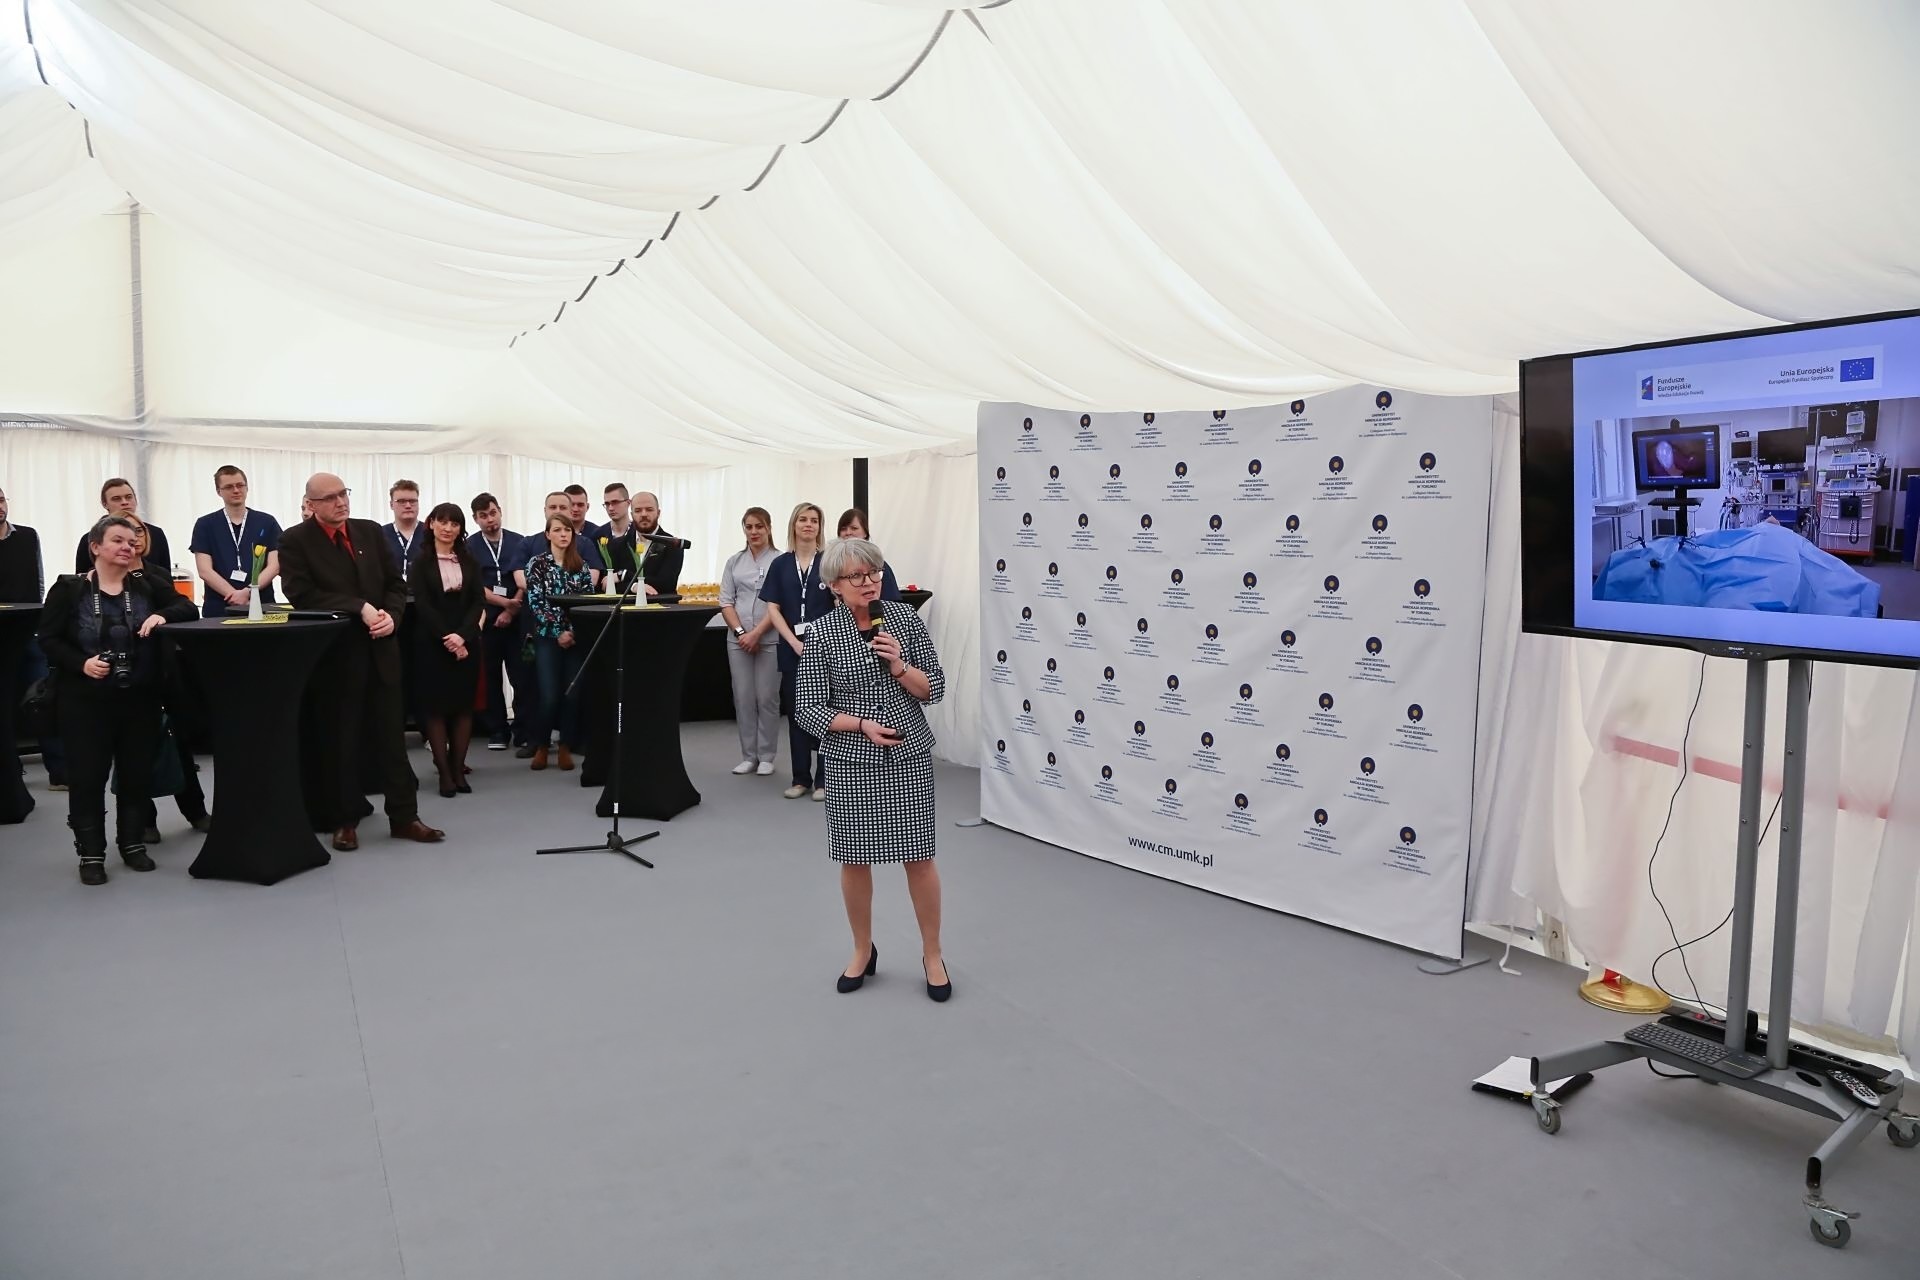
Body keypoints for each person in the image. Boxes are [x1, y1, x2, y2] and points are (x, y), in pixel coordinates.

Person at [793, 536, 949, 1001]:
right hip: (851, 760)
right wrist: (861, 725)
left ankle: (933, 953)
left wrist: (899, 665)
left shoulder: (904, 619)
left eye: (874, 572)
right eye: (857, 576)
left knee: (919, 856)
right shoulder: (822, 634)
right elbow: (807, 709)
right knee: (855, 859)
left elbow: (935, 688)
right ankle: (863, 949)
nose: (869, 582)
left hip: (908, 753)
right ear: (835, 585)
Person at [278, 472, 445, 851]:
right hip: (336, 657)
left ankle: (405, 816)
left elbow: (395, 584)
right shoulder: (294, 540)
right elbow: (302, 594)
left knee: (392, 741)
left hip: (381, 651)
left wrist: (392, 617)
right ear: (312, 505)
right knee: (342, 741)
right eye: (330, 497)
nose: (341, 502)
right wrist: (360, 608)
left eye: (344, 493)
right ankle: (345, 821)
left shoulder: (369, 531)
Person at [38, 516, 195, 883]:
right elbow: (48, 639)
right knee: (87, 777)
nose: (128, 546)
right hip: (84, 702)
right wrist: (82, 663)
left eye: (132, 540)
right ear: (95, 547)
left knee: (136, 774)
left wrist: (160, 615)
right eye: (118, 540)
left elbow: (188, 608)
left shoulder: (147, 584)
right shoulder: (69, 590)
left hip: (139, 699)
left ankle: (132, 844)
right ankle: (91, 854)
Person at [124, 515, 211, 838]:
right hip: (125, 676)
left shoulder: (157, 575)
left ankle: (196, 811)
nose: (134, 538)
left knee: (179, 745)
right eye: (125, 533)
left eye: (139, 531)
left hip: (162, 671)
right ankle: (145, 821)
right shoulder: (100, 579)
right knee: (133, 750)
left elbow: (186, 608)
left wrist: (160, 615)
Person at [760, 503, 833, 800]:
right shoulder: (780, 564)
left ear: (820, 527)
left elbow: (839, 604)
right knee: (797, 715)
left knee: (827, 713)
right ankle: (800, 778)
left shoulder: (829, 562)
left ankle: (824, 781)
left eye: (814, 520)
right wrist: (792, 641)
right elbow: (773, 608)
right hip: (793, 650)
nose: (808, 524)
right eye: (803, 519)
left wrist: (826, 642)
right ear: (793, 524)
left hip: (826, 651)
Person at [411, 503, 484, 798]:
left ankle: (458, 769)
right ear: (431, 524)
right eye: (442, 522)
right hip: (432, 641)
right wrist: (448, 638)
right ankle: (443, 772)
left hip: (467, 640)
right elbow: (423, 605)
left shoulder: (470, 560)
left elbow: (478, 601)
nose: (448, 528)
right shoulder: (420, 562)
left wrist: (463, 637)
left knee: (464, 707)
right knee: (436, 709)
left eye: (454, 523)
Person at [518, 514, 598, 770]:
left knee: (572, 695)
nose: (563, 534)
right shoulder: (537, 564)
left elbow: (587, 601)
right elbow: (536, 602)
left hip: (575, 638)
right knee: (549, 696)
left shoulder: (581, 565)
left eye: (567, 530)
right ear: (548, 534)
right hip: (546, 637)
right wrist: (558, 631)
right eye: (558, 530)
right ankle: (542, 745)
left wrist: (572, 631)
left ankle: (565, 746)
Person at [0, 485, 63, 789]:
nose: (0, 507)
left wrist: (39, 617)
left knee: (42, 697)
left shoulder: (27, 536)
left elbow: (38, 580)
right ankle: (10, 773)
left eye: (1, 500)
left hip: (27, 629)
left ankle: (60, 770)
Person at [718, 507, 780, 777]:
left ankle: (766, 755)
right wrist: (742, 632)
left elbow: (780, 603)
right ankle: (748, 756)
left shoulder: (780, 561)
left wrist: (757, 633)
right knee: (743, 697)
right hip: (738, 640)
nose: (754, 532)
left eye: (759, 526)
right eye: (749, 526)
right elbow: (725, 601)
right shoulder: (734, 562)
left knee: (767, 697)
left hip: (770, 638)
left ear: (769, 528)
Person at [468, 493, 527, 751]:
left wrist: (512, 609)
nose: (490, 520)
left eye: (493, 513)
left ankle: (523, 730)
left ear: (500, 511)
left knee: (521, 676)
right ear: (476, 519)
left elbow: (525, 579)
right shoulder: (469, 546)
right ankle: (498, 731)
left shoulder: (519, 541)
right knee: (490, 677)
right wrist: (503, 605)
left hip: (517, 618)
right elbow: (473, 586)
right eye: (483, 516)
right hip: (488, 619)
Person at [189, 465, 283, 618]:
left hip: (261, 605)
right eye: (228, 487)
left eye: (240, 485)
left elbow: (274, 566)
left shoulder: (267, 522)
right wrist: (235, 596)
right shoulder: (205, 524)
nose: (236, 490)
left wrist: (248, 592)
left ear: (247, 487)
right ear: (218, 491)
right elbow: (205, 570)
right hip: (219, 609)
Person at [382, 479, 425, 728]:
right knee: (395, 666)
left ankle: (427, 727)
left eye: (412, 501)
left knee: (423, 667)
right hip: (394, 609)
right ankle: (395, 726)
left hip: (424, 609)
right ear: (391, 504)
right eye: (401, 501)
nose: (408, 505)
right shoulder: (380, 535)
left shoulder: (430, 533)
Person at [74, 478, 173, 577]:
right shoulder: (90, 538)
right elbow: (81, 579)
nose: (125, 502)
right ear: (105, 504)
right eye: (116, 499)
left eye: (129, 497)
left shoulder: (155, 533)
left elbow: (166, 575)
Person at [835, 508, 902, 601]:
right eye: (843, 529)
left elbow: (892, 600)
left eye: (854, 528)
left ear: (865, 533)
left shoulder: (878, 565)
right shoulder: (834, 566)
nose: (848, 532)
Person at [629, 490, 684, 598]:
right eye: (638, 510)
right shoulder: (619, 544)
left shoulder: (673, 544)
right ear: (631, 515)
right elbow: (609, 584)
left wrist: (624, 575)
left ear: (658, 513)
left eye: (649, 509)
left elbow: (666, 584)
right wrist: (633, 586)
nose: (644, 514)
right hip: (626, 607)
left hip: (661, 606)